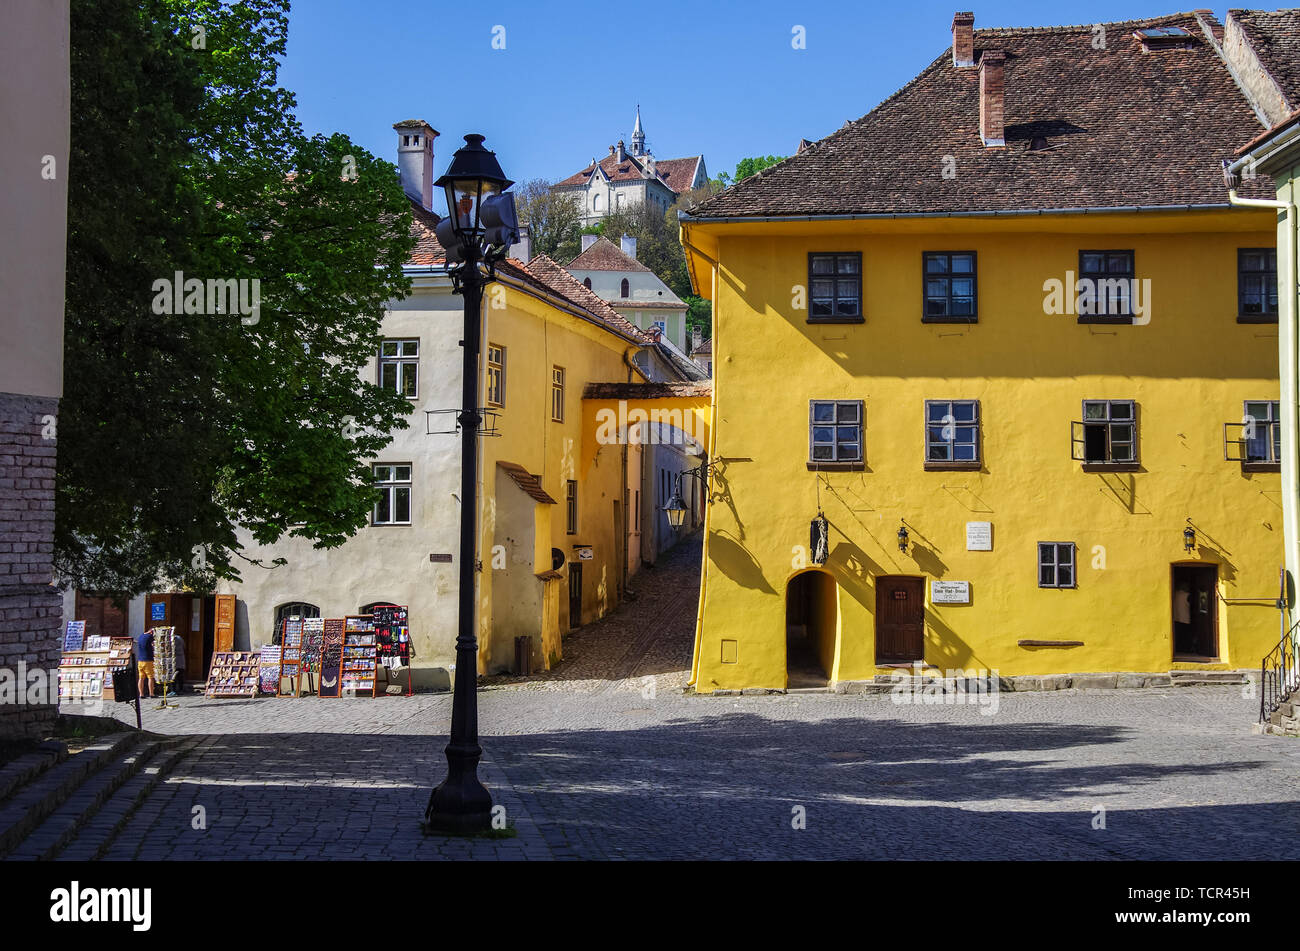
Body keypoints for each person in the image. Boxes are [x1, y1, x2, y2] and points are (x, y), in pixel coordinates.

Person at [136, 628, 155, 698]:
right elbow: (154, 644)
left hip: (140, 660)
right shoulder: (150, 636)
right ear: (151, 632)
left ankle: (141, 694)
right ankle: (151, 694)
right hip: (148, 660)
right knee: (150, 677)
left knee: (141, 678)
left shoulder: (141, 636)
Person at [169, 630, 186, 695]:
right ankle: (180, 689)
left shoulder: (172, 640)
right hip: (180, 659)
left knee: (174, 676)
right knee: (180, 675)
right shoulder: (180, 638)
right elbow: (184, 646)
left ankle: (174, 690)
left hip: (174, 660)